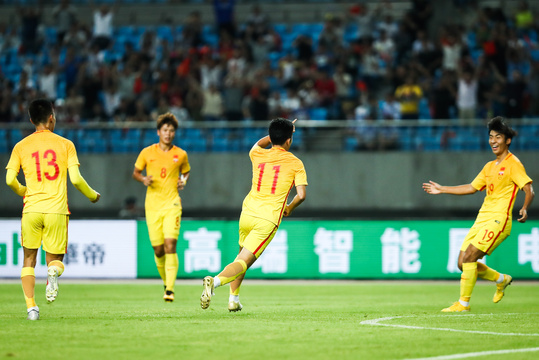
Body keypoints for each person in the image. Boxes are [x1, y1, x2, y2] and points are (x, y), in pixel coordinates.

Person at [423, 117, 534, 312]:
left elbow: (529, 189)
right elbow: (471, 187)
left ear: (507, 140)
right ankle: (501, 279)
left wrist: (524, 208)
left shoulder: (513, 163)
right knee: (462, 262)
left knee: (470, 256)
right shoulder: (489, 166)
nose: (493, 141)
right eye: (491, 137)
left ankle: (463, 304)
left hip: (499, 219)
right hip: (482, 219)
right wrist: (443, 189)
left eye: (497, 137)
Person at [5, 99, 100, 321]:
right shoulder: (66, 144)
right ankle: (54, 273)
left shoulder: (20, 146)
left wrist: (23, 191)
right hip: (56, 210)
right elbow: (75, 179)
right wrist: (92, 195)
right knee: (54, 261)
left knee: (28, 259)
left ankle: (31, 308)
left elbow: (10, 179)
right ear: (51, 117)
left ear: (31, 120)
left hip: (31, 209)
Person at [200, 118, 307, 312]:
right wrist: (290, 208)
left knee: (240, 257)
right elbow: (301, 195)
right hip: (267, 219)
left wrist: (279, 132)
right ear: (289, 140)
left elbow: (260, 143)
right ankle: (214, 282)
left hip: (247, 213)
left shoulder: (257, 153)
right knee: (244, 262)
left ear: (272, 136)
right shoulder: (296, 163)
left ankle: (234, 299)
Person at [133, 113, 190, 302]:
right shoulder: (147, 152)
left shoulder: (180, 154)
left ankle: (170, 290)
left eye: (172, 130)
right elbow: (135, 172)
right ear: (159, 132)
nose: (168, 133)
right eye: (165, 130)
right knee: (158, 250)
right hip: (152, 205)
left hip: (172, 204)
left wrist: (183, 181)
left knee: (170, 245)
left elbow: (186, 172)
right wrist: (143, 179)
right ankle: (166, 283)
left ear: (174, 133)